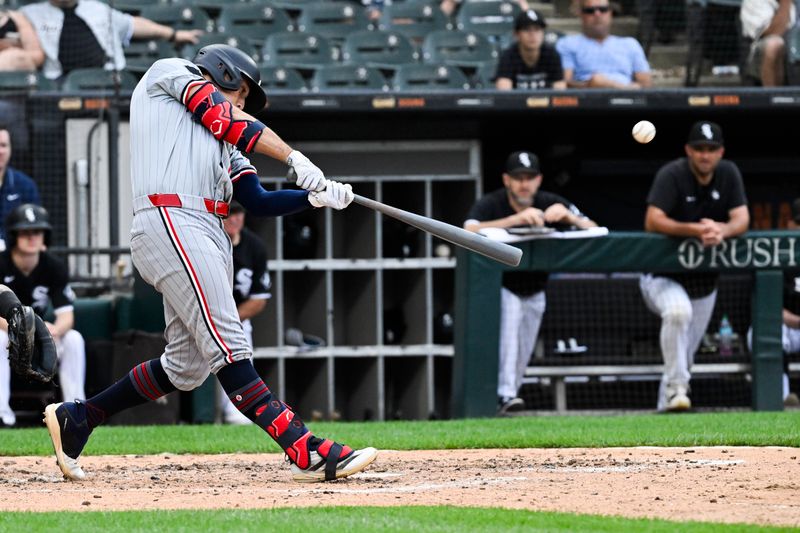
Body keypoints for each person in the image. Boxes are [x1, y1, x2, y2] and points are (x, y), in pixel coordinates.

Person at [43, 44, 377, 483]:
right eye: (239, 93)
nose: (238, 104)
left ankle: (80, 417)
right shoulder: (171, 74)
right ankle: (304, 448)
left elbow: (256, 198)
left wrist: (315, 198)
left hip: (207, 231)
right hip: (172, 218)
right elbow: (225, 116)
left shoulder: (223, 141)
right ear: (221, 72)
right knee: (229, 343)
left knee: (186, 366)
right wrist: (294, 158)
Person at [464, 151, 597, 415]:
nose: (524, 183)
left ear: (539, 180)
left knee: (524, 346)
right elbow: (468, 229)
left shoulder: (549, 202)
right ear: (507, 180)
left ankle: (509, 396)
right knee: (510, 337)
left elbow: (594, 227)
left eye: (529, 178)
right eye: (518, 178)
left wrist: (570, 217)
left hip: (536, 287)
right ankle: (505, 395)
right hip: (505, 285)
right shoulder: (494, 203)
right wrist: (513, 221)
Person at [640, 121, 750, 412]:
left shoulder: (728, 173)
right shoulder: (673, 174)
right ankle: (676, 391)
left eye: (711, 149)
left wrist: (722, 231)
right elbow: (652, 220)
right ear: (688, 150)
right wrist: (695, 229)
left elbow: (741, 218)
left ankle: (669, 406)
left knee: (684, 356)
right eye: (699, 149)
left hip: (704, 284)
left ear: (720, 152)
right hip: (662, 277)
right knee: (678, 312)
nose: (705, 155)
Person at [0, 204, 84, 427]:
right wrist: (21, 329)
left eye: (37, 232)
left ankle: (76, 412)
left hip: (41, 335)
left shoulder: (54, 266)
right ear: (14, 236)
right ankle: (2, 414)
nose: (32, 238)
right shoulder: (1, 263)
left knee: (74, 339)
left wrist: (51, 330)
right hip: (7, 333)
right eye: (25, 232)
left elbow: (67, 316)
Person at [21, 0, 203, 80]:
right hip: (61, 82)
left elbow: (133, 24)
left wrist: (173, 35)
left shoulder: (97, 9)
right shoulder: (29, 14)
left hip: (110, 78)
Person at [218, 201, 271, 425]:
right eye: (230, 213)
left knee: (241, 359)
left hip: (236, 319)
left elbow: (259, 299)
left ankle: (236, 411)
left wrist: (228, 320)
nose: (234, 218)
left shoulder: (254, 246)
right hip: (201, 314)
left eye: (239, 212)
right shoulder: (210, 242)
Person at [555, 0, 652, 89]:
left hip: (627, 102)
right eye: (590, 10)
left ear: (610, 13)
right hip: (586, 101)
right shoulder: (567, 44)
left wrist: (611, 85)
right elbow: (564, 84)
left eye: (603, 9)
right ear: (581, 14)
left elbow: (646, 85)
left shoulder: (630, 44)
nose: (597, 14)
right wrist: (590, 85)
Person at [495, 9, 566, 90]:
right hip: (516, 102)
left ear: (543, 33)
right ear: (516, 34)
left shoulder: (552, 55)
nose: (532, 34)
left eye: (537, 29)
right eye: (526, 29)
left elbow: (559, 90)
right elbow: (504, 94)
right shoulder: (508, 56)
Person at [0, 124, 40, 249]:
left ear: (10, 149)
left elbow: (36, 227)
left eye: (4, 145)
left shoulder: (25, 186)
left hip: (15, 260)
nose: (0, 151)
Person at [741, 0, 796, 86]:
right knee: (774, 44)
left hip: (792, 48)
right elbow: (773, 32)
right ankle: (773, 96)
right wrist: (786, 3)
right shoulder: (753, 2)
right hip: (758, 52)